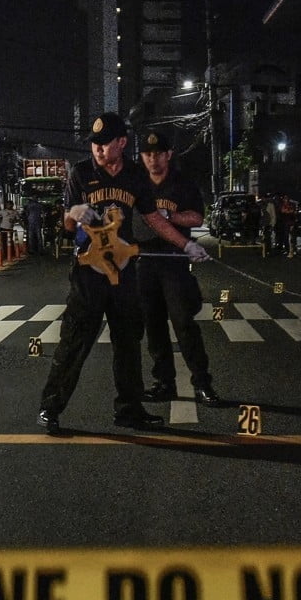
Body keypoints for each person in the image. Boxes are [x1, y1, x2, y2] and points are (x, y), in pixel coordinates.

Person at [36, 112, 209, 435]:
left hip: (125, 273)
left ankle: (129, 410)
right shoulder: (81, 173)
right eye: (95, 145)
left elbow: (154, 219)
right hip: (89, 272)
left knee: (128, 343)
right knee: (75, 340)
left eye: (105, 145)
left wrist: (186, 246)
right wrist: (74, 212)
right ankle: (50, 407)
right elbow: (68, 224)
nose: (99, 151)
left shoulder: (135, 176)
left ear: (122, 143)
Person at [134, 129, 221, 407]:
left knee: (184, 323)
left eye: (158, 153)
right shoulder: (136, 184)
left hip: (174, 262)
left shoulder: (181, 183)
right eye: (148, 154)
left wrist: (169, 215)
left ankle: (202, 383)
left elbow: (197, 217)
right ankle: (164, 383)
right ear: (142, 156)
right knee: (153, 325)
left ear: (169, 154)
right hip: (144, 261)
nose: (153, 159)